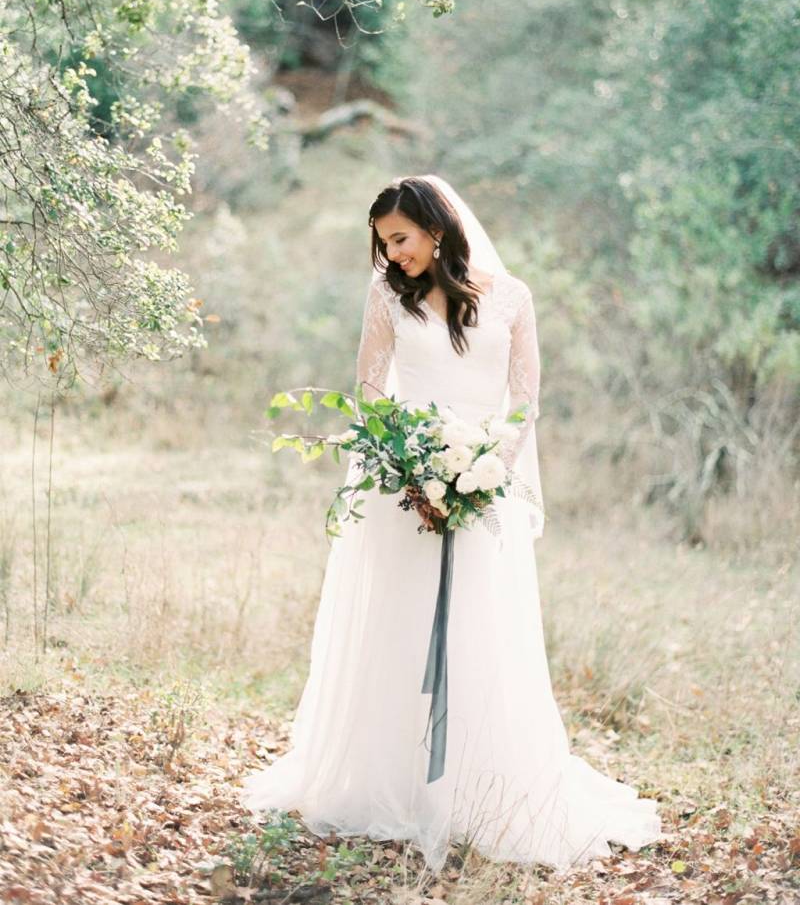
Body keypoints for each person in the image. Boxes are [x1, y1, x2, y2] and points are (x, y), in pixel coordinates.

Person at [240, 174, 663, 874]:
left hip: (483, 488)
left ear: (437, 228)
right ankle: (397, 780)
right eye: (382, 244)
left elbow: (525, 398)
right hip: (403, 490)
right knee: (399, 630)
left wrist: (485, 469)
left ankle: (476, 785)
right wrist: (412, 471)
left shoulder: (513, 299)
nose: (392, 255)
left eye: (400, 239)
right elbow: (370, 391)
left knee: (479, 632)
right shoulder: (386, 296)